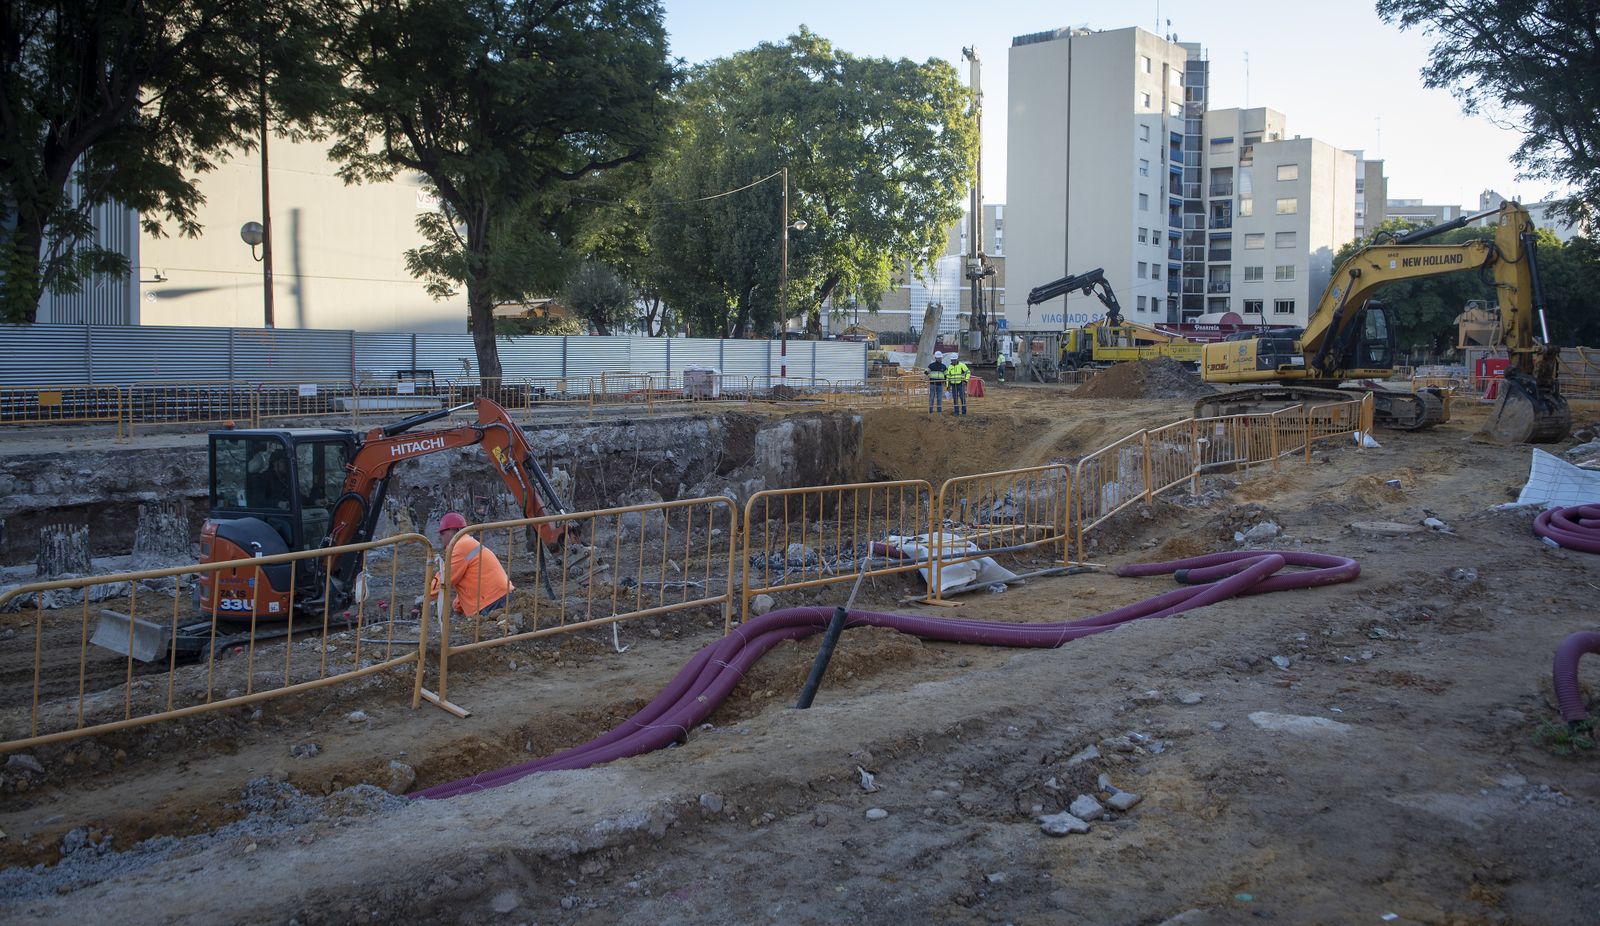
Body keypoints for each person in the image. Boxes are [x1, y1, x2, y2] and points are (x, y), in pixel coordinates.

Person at [434, 511, 513, 617]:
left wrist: (425, 598)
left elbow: (445, 579)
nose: (440, 537)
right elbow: (468, 580)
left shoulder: (460, 546)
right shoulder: (467, 543)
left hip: (491, 601)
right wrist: (457, 606)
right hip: (500, 596)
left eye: (442, 533)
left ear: (454, 530)